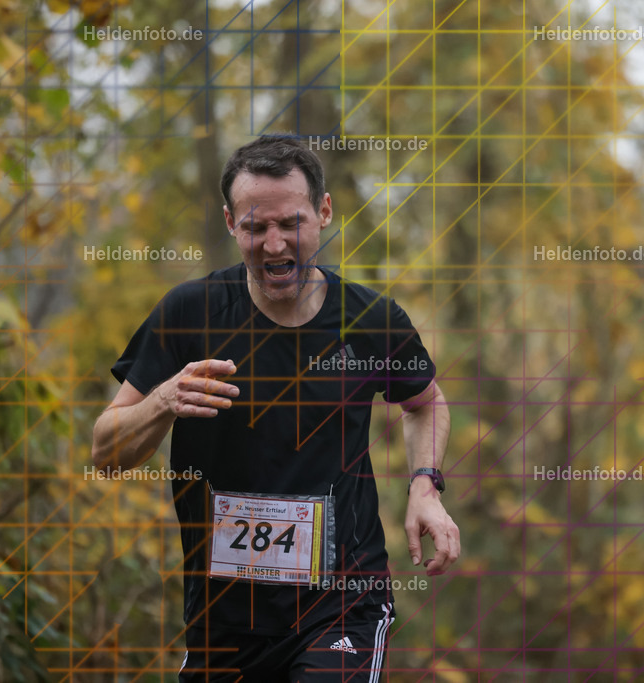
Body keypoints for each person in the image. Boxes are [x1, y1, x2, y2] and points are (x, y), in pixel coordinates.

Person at [91, 134, 460, 682]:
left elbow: (425, 404)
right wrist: (163, 401)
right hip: (223, 619)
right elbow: (105, 452)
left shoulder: (371, 321)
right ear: (229, 223)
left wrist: (425, 487)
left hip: (343, 605)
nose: (274, 244)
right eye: (255, 227)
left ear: (324, 212)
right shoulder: (191, 314)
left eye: (291, 223)